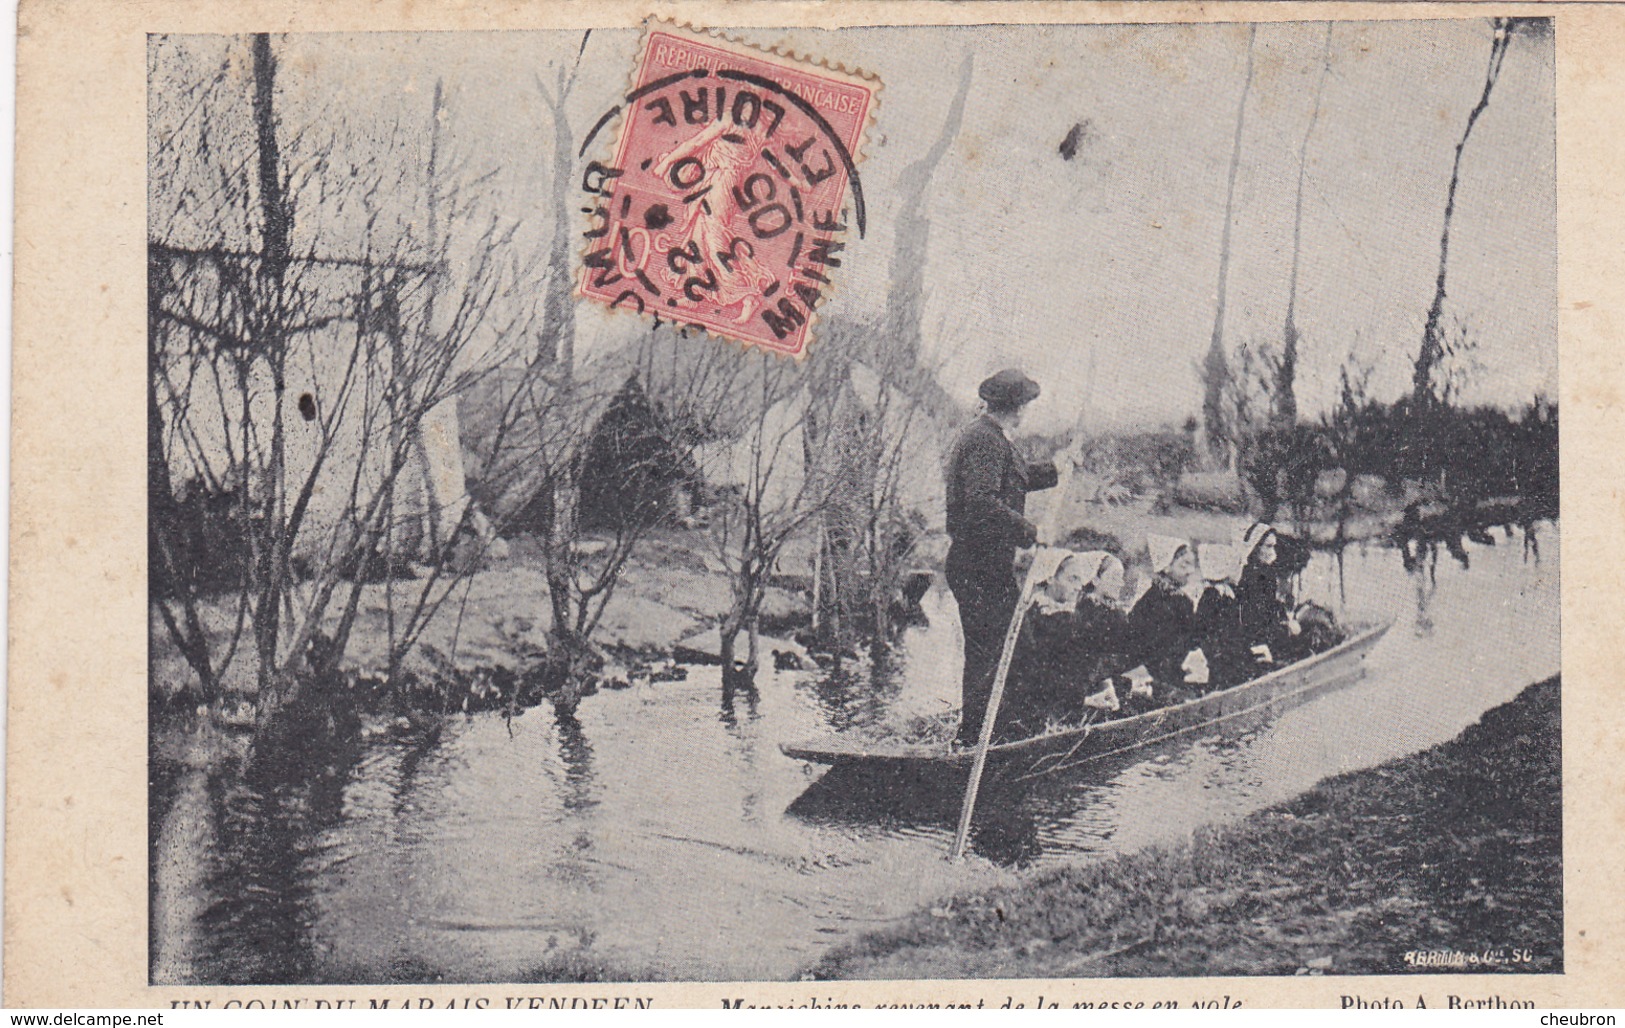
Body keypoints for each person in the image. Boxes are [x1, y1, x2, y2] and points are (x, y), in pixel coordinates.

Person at [944, 369, 1059, 747]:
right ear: (1017, 407)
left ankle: (999, 731)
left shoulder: (991, 437)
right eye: (1026, 403)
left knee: (1011, 648)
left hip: (986, 564)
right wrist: (1030, 531)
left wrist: (1057, 471)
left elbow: (1016, 477)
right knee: (993, 653)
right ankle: (977, 739)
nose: (1028, 410)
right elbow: (981, 504)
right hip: (977, 565)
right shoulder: (985, 441)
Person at [1001, 549, 1133, 737]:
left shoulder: (1069, 617)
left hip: (1070, 699)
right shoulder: (1032, 619)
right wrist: (1084, 700)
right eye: (1072, 579)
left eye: (1079, 580)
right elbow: (1036, 679)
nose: (1079, 587)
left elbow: (1084, 665)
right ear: (1050, 578)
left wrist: (1105, 686)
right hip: (1042, 708)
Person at [1126, 535, 1226, 703]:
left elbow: (1191, 639)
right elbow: (1150, 652)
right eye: (1184, 565)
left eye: (1192, 565)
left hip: (1175, 670)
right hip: (1151, 676)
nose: (1190, 571)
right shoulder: (1152, 602)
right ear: (1166, 567)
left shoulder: (1182, 600)